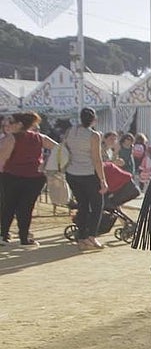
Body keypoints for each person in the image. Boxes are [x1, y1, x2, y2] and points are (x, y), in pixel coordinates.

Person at [0, 112, 59, 246]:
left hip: (12, 175)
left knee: (8, 205)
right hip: (35, 177)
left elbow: (3, 158)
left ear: (19, 125)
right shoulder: (40, 137)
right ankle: (24, 237)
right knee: (26, 208)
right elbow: (59, 148)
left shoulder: (11, 138)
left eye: (11, 122)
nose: (8, 125)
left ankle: (3, 234)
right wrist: (46, 163)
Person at [63, 107, 110, 250]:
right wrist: (102, 179)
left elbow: (65, 148)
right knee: (97, 206)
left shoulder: (70, 131)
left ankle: (81, 236)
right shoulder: (93, 135)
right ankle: (91, 236)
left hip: (72, 172)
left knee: (82, 205)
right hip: (88, 173)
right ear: (93, 119)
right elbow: (97, 159)